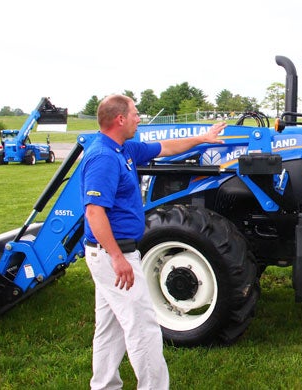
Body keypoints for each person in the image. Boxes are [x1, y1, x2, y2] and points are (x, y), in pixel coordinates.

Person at [80, 94, 226, 389]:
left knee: (110, 329)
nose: (139, 118)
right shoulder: (104, 158)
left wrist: (203, 138)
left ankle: (104, 385)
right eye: (135, 113)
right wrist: (118, 258)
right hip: (114, 255)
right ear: (120, 119)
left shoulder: (124, 148)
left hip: (113, 253)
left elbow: (167, 147)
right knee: (143, 327)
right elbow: (95, 212)